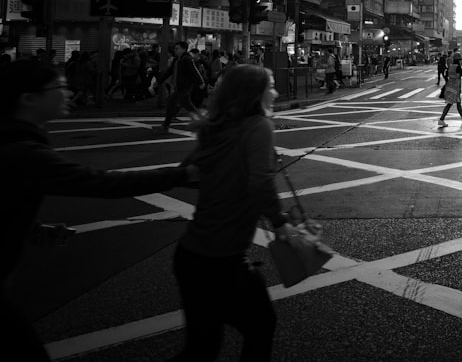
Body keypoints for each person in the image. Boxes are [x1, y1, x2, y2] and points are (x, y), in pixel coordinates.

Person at [0, 60, 196, 361]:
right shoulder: (24, 152)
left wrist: (30, 227)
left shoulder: (12, 142)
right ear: (28, 99)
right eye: (59, 88)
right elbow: (102, 183)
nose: (68, 93)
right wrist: (182, 175)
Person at [170, 65, 292, 361]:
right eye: (271, 86)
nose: (275, 92)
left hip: (191, 255)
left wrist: (228, 172)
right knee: (261, 326)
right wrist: (280, 222)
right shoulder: (258, 126)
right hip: (221, 259)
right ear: (255, 93)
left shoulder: (218, 125)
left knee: (201, 348)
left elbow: (188, 174)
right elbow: (261, 182)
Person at [159, 41, 207, 133]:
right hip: (180, 86)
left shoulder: (187, 59)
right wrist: (160, 81)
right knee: (188, 105)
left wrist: (201, 82)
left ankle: (165, 125)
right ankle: (203, 120)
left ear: (183, 49)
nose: (175, 50)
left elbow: (194, 71)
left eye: (177, 49)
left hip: (184, 86)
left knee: (171, 102)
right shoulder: (177, 59)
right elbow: (169, 71)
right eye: (175, 49)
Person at [438, 52, 462, 127]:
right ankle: (441, 119)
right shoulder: (458, 67)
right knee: (450, 104)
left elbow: (446, 75)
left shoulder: (450, 66)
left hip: (450, 86)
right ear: (459, 60)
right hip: (455, 87)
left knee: (457, 103)